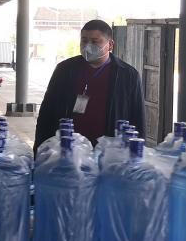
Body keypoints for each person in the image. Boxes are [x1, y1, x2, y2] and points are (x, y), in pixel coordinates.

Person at [34, 19, 145, 150]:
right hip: (68, 149)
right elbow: (46, 113)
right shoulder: (64, 70)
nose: (87, 46)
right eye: (84, 40)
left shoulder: (128, 75)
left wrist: (137, 152)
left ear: (110, 45)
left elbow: (137, 118)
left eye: (94, 41)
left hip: (109, 152)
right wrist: (39, 151)